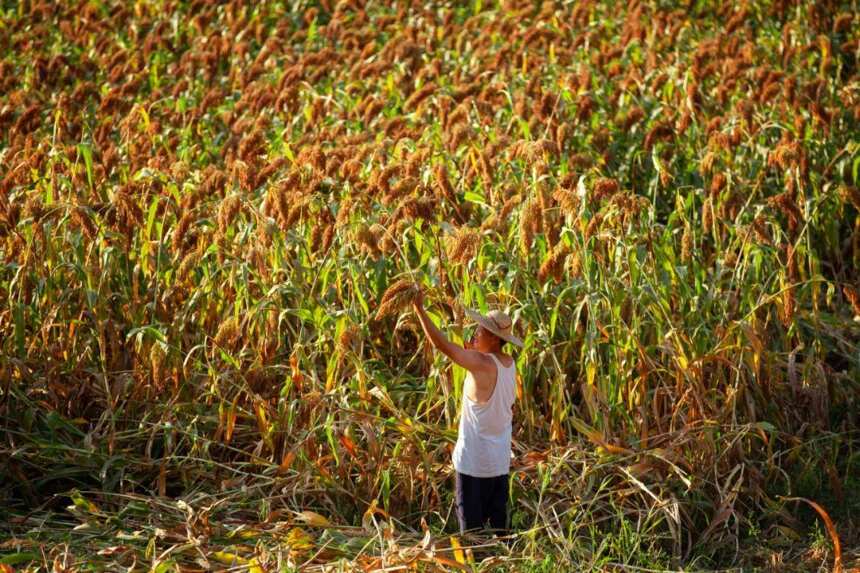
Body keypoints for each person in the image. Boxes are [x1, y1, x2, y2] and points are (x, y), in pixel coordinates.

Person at [411, 286, 523, 537]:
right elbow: (476, 356)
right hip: (499, 465)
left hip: (474, 466)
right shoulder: (509, 363)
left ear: (494, 339)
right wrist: (471, 346)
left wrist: (419, 310)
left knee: (471, 539)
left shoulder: (481, 364)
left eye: (480, 331)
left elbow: (442, 346)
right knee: (499, 535)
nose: (475, 334)